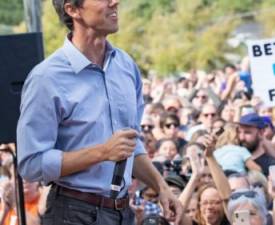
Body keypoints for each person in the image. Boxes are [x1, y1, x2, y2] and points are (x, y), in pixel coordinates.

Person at [16, 0, 182, 224]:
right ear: (72, 9)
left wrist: (161, 186)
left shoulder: (126, 66)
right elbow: (32, 164)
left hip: (123, 211)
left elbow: (130, 145)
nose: (115, 2)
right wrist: (102, 152)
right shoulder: (46, 78)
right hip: (72, 213)